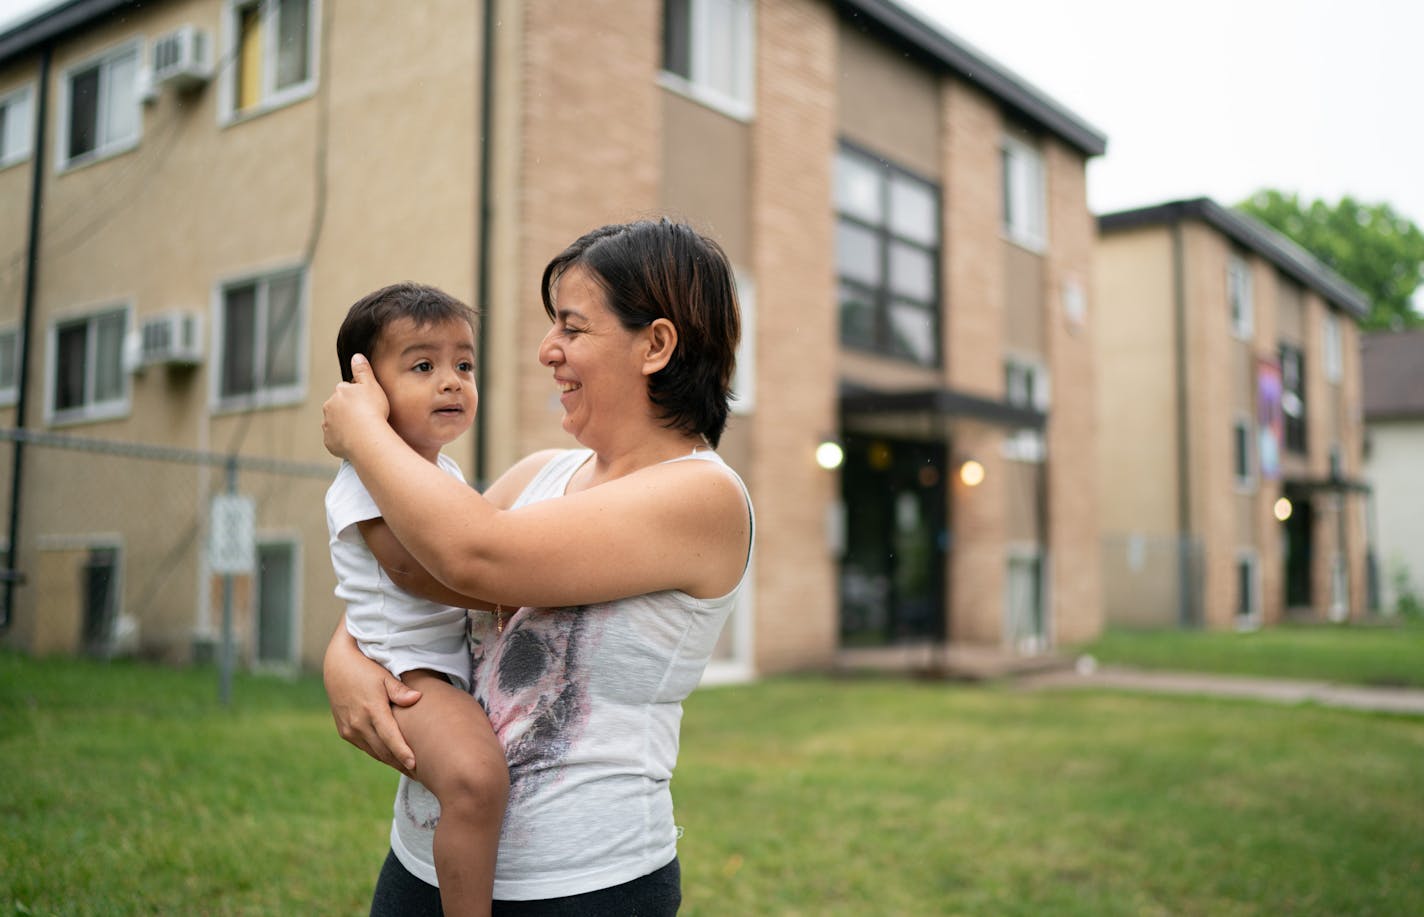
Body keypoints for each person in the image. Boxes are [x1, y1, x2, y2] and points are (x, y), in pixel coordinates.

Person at [322, 218, 754, 915]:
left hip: (585, 888)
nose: (547, 349)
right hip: (421, 860)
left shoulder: (703, 496)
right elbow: (412, 582)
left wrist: (363, 429)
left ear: (656, 344)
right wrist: (341, 658)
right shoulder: (539, 474)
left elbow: (472, 555)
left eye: (573, 327)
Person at [325, 282, 509, 917]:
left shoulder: (443, 475)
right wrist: (507, 588)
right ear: (367, 392)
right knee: (474, 780)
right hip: (407, 670)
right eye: (423, 366)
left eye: (464, 364)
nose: (452, 382)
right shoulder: (364, 475)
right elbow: (409, 568)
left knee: (473, 778)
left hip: (440, 665)